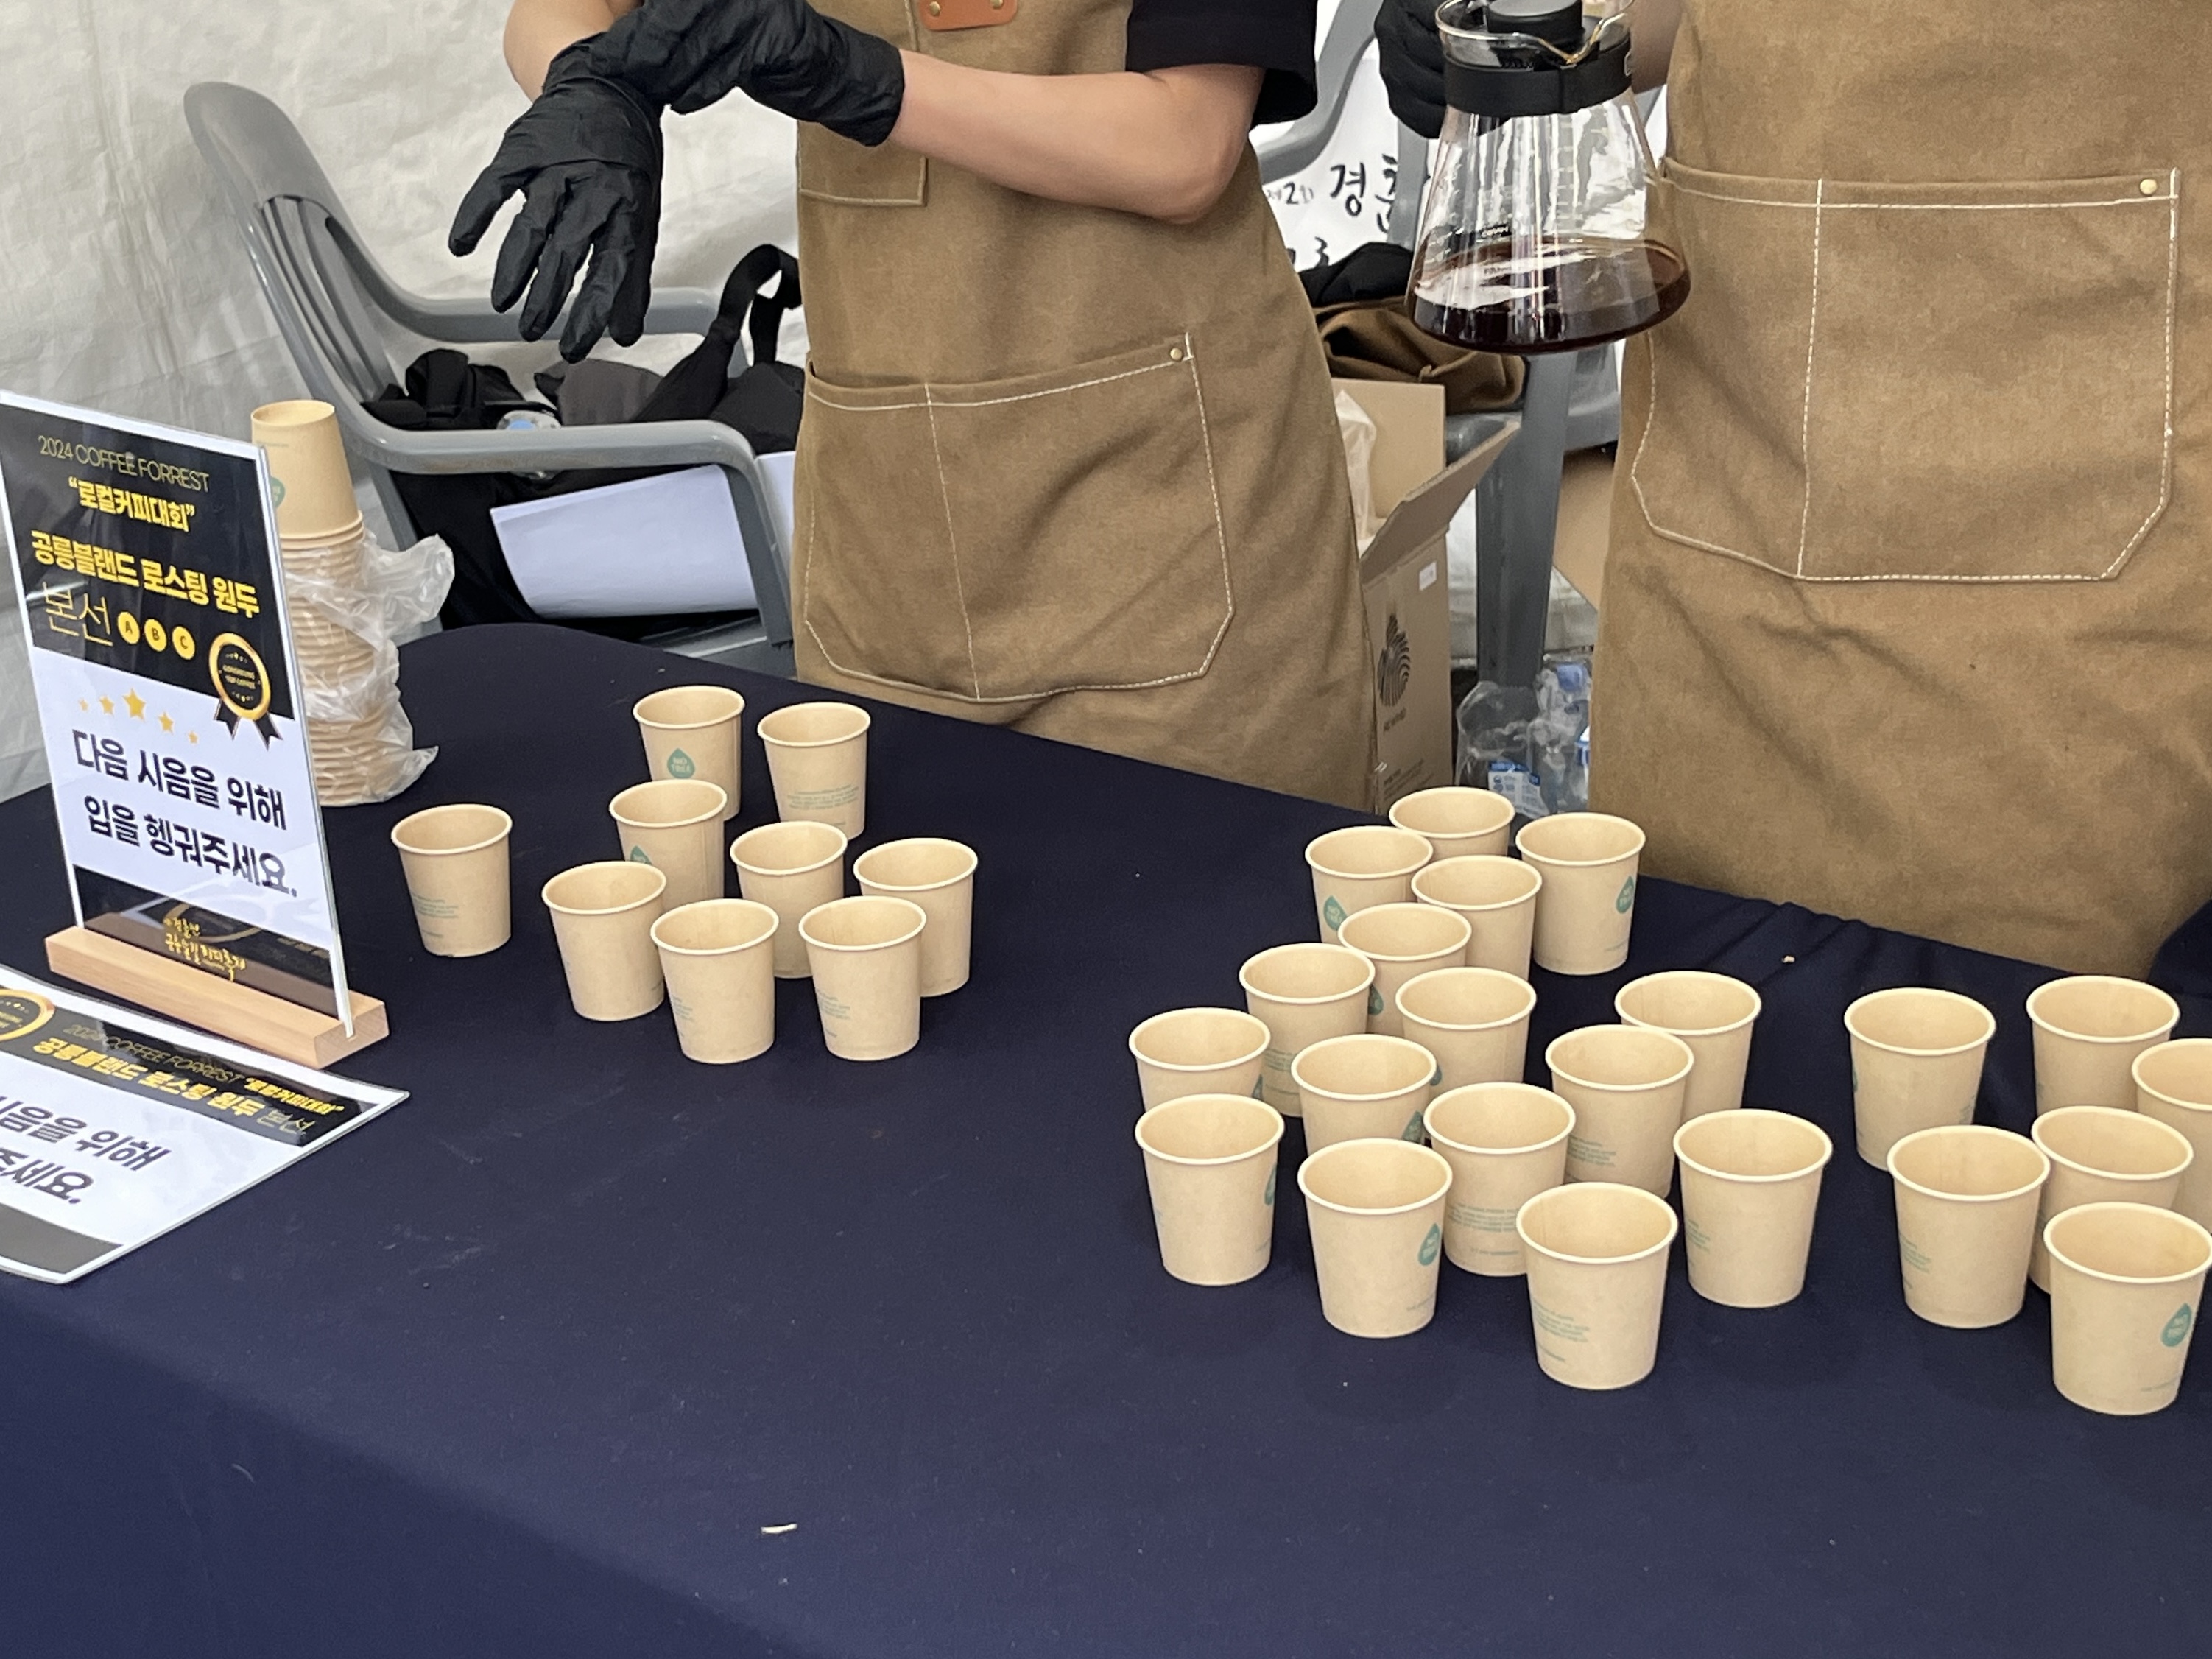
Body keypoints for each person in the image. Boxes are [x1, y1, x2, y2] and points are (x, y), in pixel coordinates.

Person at [1378, 0, 2212, 975]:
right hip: (1741, 428)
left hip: (2082, 422)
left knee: (2050, 1061)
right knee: (1690, 1030)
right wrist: (1549, 34)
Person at [454, 0, 1376, 808]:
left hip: (1172, 506)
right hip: (894, 520)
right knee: (903, 969)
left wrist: (851, 73)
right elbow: (562, 5)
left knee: (1222, 953)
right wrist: (589, 84)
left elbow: (1183, 146)